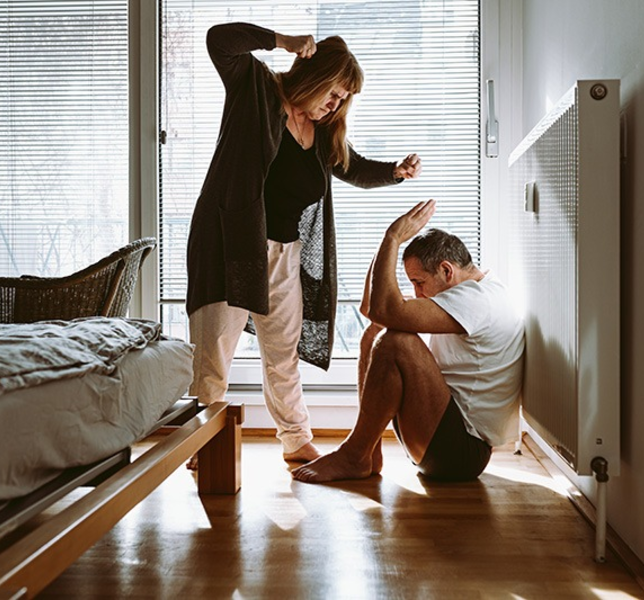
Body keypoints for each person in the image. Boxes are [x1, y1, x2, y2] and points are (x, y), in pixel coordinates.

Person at [186, 22, 422, 465]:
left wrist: (395, 171)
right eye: (334, 93)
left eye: (343, 101)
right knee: (214, 356)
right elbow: (220, 39)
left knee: (282, 354)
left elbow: (353, 169)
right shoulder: (255, 89)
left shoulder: (323, 135)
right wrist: (284, 42)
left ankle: (295, 440)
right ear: (315, 76)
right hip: (230, 247)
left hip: (284, 255)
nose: (335, 106)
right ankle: (199, 448)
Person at [292, 199, 525, 483]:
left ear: (446, 270)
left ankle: (354, 454)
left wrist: (393, 238)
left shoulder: (477, 301)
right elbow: (372, 311)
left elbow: (385, 311)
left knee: (397, 342)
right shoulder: (474, 292)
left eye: (418, 282)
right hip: (441, 433)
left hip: (461, 452)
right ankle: (368, 453)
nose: (416, 293)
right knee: (373, 337)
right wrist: (386, 244)